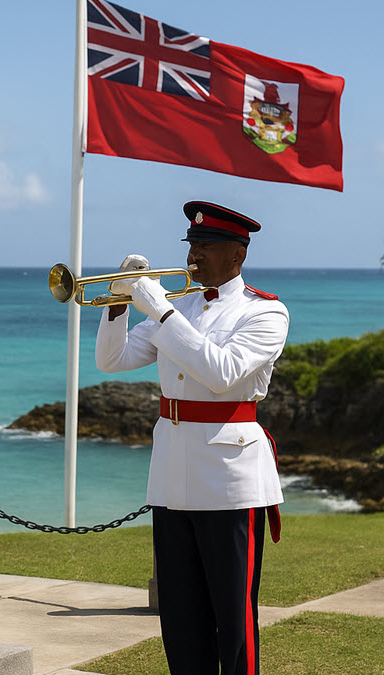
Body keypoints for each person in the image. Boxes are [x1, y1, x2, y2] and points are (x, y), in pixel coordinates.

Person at [95, 201, 288, 675]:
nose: (192, 256)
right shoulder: (179, 308)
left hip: (230, 481)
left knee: (233, 619)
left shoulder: (265, 312)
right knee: (180, 619)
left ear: (236, 256)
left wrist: (158, 308)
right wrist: (118, 304)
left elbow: (221, 373)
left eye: (204, 247)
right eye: (191, 246)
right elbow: (111, 360)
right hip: (172, 475)